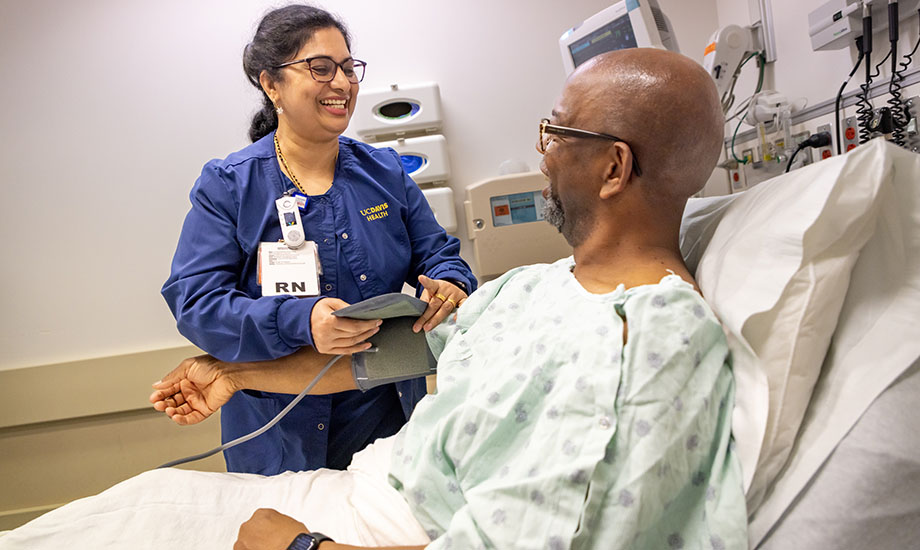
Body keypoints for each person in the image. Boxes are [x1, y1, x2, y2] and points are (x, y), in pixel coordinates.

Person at [0, 49, 746, 550]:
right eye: (317, 69)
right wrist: (238, 374)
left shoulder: (644, 336)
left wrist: (301, 548)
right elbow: (400, 351)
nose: (542, 151)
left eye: (555, 131)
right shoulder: (536, 286)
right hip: (354, 486)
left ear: (614, 168)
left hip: (366, 525)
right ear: (271, 84)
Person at [160, 4, 476, 475]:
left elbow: (441, 256)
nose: (343, 83)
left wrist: (450, 283)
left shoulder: (384, 174)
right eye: (321, 68)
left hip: (386, 422)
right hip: (279, 433)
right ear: (271, 84)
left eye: (349, 68)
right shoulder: (231, 186)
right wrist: (301, 320)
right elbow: (197, 304)